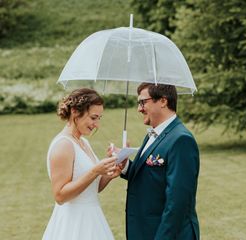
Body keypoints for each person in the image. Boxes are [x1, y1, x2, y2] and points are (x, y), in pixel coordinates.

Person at [119, 83, 200, 240]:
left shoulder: (181, 140)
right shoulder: (152, 134)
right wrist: (125, 165)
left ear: (163, 101)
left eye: (143, 102)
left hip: (168, 234)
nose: (139, 109)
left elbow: (178, 202)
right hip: (146, 230)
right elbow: (149, 177)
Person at [42, 88, 120, 240]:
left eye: (99, 118)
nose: (97, 124)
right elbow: (60, 195)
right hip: (73, 223)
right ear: (76, 112)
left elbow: (92, 189)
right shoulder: (63, 145)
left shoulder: (83, 142)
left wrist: (110, 173)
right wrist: (95, 171)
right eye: (93, 117)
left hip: (92, 218)